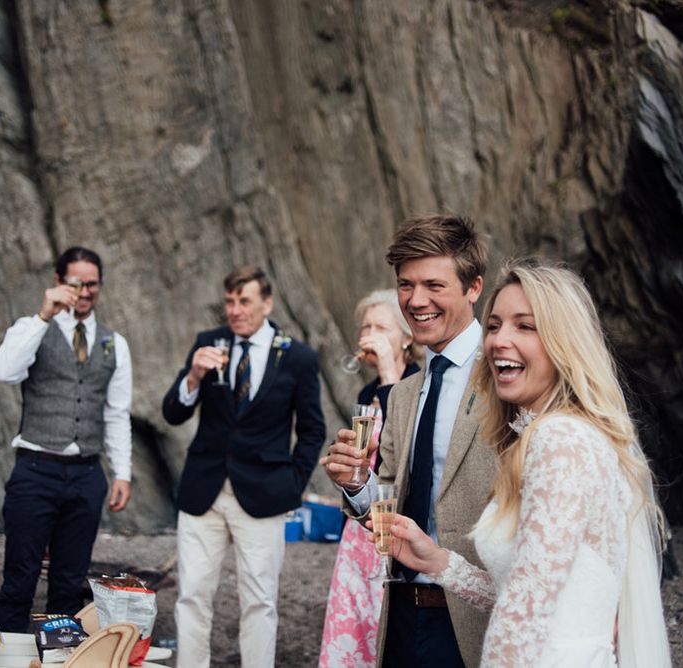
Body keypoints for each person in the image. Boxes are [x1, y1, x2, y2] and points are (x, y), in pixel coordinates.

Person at [385, 259, 671, 667]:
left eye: (525, 326)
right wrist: (437, 561)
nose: (499, 340)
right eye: (495, 325)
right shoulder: (547, 436)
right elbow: (520, 590)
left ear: (564, 342)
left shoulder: (561, 440)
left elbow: (525, 613)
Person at [321, 215, 498, 668]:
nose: (416, 301)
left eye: (433, 285)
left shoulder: (505, 373)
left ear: (473, 287)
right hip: (398, 615)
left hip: (477, 621)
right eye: (405, 285)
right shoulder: (402, 394)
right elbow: (390, 517)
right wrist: (357, 486)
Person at [162, 265, 325, 668]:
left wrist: (292, 484)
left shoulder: (298, 357)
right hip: (203, 491)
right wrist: (194, 376)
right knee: (192, 594)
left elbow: (312, 430)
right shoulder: (208, 343)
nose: (235, 310)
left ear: (266, 303)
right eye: (230, 302)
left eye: (244, 301)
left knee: (259, 600)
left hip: (265, 492)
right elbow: (173, 413)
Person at [0, 246, 132, 631]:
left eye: (92, 284)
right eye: (76, 282)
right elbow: (6, 371)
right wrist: (45, 314)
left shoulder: (113, 343)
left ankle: (59, 658)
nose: (85, 292)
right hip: (35, 470)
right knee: (20, 579)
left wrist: (121, 473)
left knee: (69, 585)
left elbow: (116, 413)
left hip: (86, 475)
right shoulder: (32, 328)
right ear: (58, 281)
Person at [319, 289, 420, 668]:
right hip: (361, 525)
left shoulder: (416, 381)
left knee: (386, 621)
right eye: (365, 327)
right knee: (355, 614)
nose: (369, 335)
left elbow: (407, 443)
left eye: (381, 327)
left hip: (397, 521)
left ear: (407, 336)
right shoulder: (367, 390)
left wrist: (389, 373)